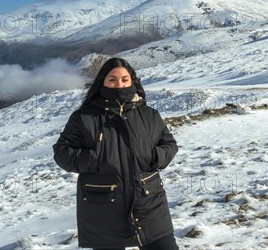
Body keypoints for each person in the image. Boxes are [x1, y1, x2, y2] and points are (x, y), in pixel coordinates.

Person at [53, 57, 179, 250]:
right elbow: (62, 152)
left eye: (124, 79)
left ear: (132, 81)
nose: (119, 84)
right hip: (103, 206)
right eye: (112, 79)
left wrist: (154, 157)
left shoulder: (148, 114)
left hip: (149, 202)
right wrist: (94, 160)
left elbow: (169, 144)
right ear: (102, 81)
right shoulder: (84, 117)